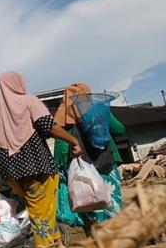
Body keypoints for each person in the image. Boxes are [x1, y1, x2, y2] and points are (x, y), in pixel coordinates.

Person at [0, 71, 82, 248]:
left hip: (11, 174)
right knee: (40, 211)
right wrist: (73, 141)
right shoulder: (29, 101)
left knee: (43, 208)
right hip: (37, 168)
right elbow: (48, 126)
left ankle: (57, 245)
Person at [53, 83, 126, 229]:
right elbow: (119, 130)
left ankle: (95, 240)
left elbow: (59, 154)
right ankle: (117, 239)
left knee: (87, 205)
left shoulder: (61, 117)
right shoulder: (98, 109)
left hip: (80, 171)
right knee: (111, 205)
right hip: (106, 165)